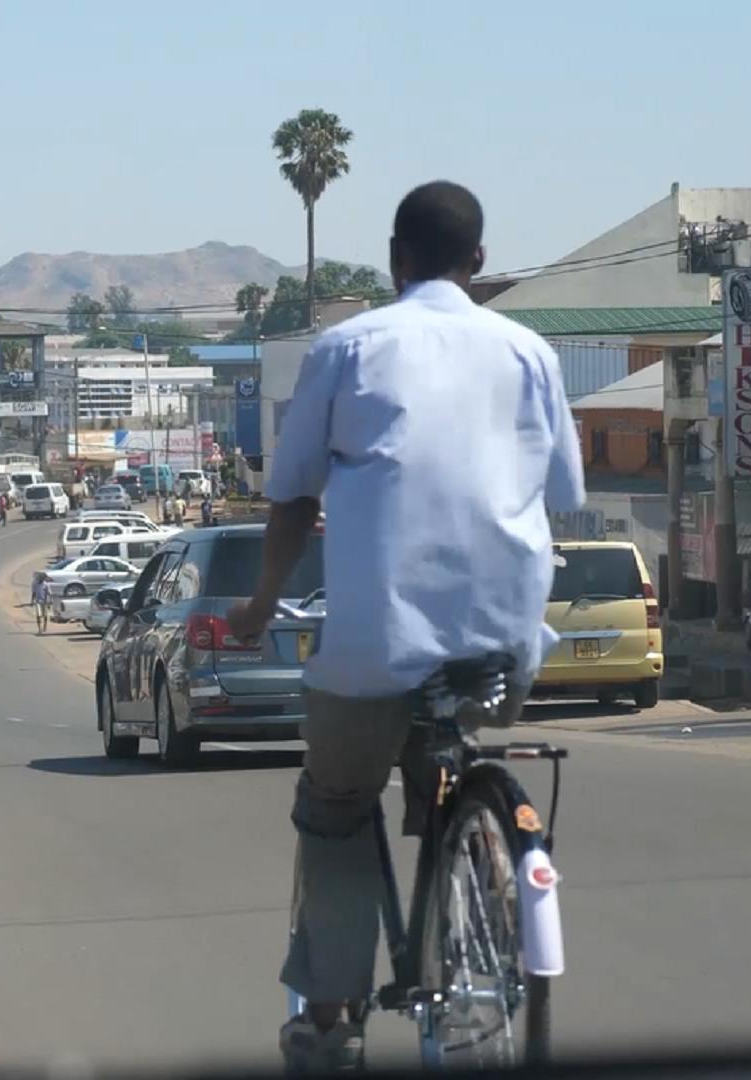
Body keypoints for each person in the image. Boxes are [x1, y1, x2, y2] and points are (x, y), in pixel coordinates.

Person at [224, 182, 585, 1073]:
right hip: (503, 651)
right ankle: (478, 859)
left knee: (338, 810)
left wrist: (260, 607)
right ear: (480, 262)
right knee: (448, 747)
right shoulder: (530, 352)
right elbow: (567, 497)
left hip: (376, 651)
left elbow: (293, 496)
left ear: (395, 259)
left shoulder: (349, 348)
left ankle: (336, 1017)